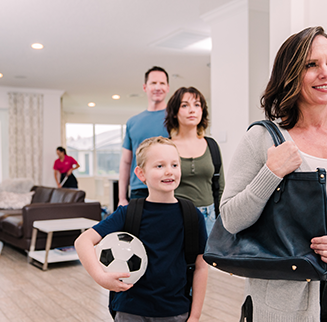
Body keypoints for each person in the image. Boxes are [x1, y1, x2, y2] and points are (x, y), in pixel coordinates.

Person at [219, 26, 327, 321]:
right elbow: (230, 219)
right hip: (281, 304)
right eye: (311, 65)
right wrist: (270, 173)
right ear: (289, 75)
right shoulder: (261, 140)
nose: (326, 73)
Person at [76, 137, 208, 321]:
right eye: (159, 166)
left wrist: (195, 316)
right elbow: (83, 241)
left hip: (176, 311)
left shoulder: (193, 216)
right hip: (131, 310)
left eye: (175, 165)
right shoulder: (128, 212)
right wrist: (100, 277)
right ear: (141, 174)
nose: (169, 171)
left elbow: (201, 267)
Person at [165, 87, 225, 235]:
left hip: (210, 217)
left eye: (197, 105)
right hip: (175, 215)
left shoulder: (212, 145)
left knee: (207, 258)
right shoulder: (166, 147)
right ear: (174, 113)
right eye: (185, 105)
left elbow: (221, 186)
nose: (192, 110)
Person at [118, 66, 170, 206]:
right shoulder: (133, 122)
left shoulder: (175, 119)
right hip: (138, 190)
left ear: (168, 87)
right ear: (145, 87)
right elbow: (126, 162)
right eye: (153, 83)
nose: (158, 87)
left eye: (162, 83)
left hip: (167, 187)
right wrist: (122, 198)